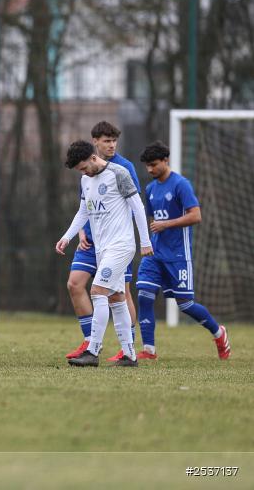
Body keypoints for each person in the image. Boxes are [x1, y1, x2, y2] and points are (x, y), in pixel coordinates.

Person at [56, 140, 152, 367]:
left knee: (97, 291)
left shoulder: (119, 173)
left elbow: (138, 207)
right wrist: (67, 237)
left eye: (83, 167)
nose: (83, 172)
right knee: (116, 298)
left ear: (92, 157)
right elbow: (83, 211)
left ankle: (92, 351)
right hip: (102, 249)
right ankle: (130, 355)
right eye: (79, 171)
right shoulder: (85, 180)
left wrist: (145, 242)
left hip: (121, 246)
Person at [135, 142, 230, 360]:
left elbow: (196, 216)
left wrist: (166, 224)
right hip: (154, 254)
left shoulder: (181, 184)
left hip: (178, 255)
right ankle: (149, 350)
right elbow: (151, 220)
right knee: (144, 296)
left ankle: (219, 333)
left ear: (166, 160)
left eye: (154, 165)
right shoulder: (150, 189)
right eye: (147, 166)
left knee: (185, 305)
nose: (149, 170)